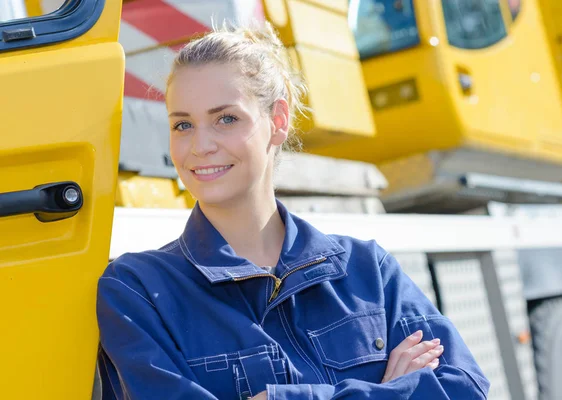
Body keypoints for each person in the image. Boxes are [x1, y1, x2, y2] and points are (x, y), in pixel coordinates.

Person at [96, 22, 489, 400]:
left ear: (278, 121)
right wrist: (390, 391)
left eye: (225, 119)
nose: (200, 146)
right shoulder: (138, 291)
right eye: (182, 125)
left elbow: (465, 390)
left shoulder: (367, 269)